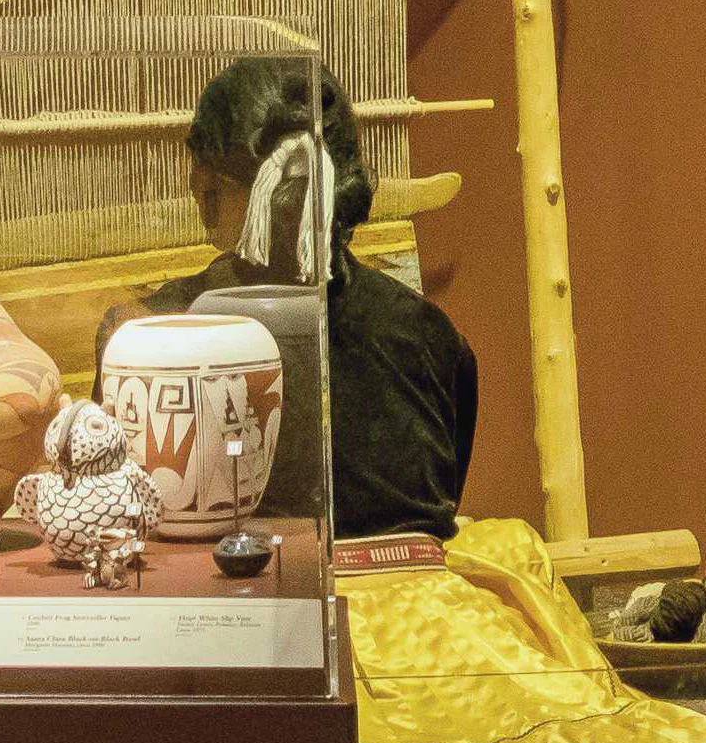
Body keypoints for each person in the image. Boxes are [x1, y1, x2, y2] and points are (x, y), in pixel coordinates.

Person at [163, 52, 480, 541]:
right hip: (423, 613)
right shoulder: (430, 338)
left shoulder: (156, 333)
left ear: (205, 187)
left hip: (241, 610)